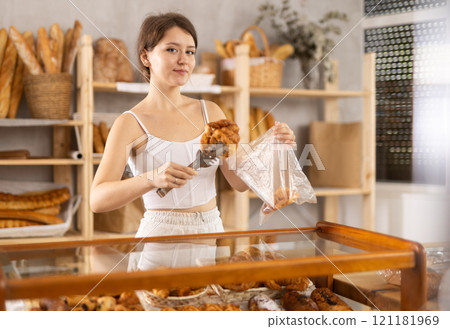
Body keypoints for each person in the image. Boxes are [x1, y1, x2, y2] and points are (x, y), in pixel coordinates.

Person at [90, 12, 296, 270]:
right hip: (158, 241)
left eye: (190, 52)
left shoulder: (211, 113)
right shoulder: (130, 123)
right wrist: (152, 178)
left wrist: (272, 145)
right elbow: (97, 200)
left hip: (210, 236)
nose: (183, 60)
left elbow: (239, 182)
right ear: (146, 57)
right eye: (172, 49)